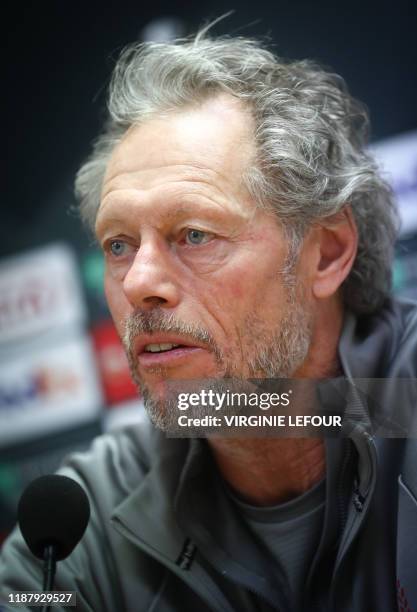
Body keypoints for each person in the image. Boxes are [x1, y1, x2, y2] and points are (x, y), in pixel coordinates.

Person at [1, 25, 416, 612]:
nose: (138, 282)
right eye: (119, 245)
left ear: (325, 252)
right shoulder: (74, 530)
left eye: (194, 235)